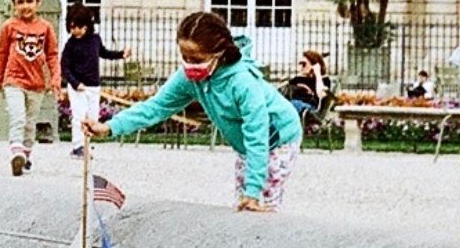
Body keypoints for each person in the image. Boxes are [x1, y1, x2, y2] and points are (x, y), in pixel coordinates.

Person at [85, 11, 302, 212]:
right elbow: (156, 107)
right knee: (242, 203)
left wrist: (253, 192)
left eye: (196, 59)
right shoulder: (188, 77)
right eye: (184, 56)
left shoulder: (243, 82)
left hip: (278, 136)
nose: (189, 64)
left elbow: (257, 135)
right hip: (244, 143)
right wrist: (109, 127)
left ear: (219, 53)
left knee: (264, 202)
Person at [0, 0, 60, 176]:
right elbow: (0, 55)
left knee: (30, 123)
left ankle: (25, 156)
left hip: (36, 84)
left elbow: (53, 55)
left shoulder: (45, 28)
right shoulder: (9, 27)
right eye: (20, 2)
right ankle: (15, 153)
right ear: (14, 5)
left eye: (29, 1)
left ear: (38, 3)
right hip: (13, 81)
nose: (25, 6)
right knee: (18, 118)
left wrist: (55, 79)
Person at [60, 3, 130, 159]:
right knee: (79, 115)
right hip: (78, 86)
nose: (75, 31)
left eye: (79, 27)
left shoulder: (95, 40)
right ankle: (77, 146)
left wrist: (121, 55)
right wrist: (74, 83)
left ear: (87, 25)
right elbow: (64, 67)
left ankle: (86, 143)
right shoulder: (70, 45)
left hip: (93, 85)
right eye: (72, 28)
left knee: (92, 117)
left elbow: (104, 53)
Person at [285, 50, 330, 117]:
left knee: (294, 104)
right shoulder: (297, 79)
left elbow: (321, 95)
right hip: (294, 105)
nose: (301, 67)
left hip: (310, 107)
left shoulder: (323, 80)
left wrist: (317, 73)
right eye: (300, 64)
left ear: (314, 64)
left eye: (304, 64)